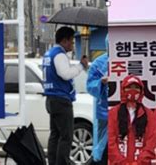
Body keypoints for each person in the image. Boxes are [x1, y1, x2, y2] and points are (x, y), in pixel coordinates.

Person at [43, 26, 89, 165]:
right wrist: (81, 66)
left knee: (55, 135)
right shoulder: (59, 55)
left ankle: (53, 162)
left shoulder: (49, 53)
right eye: (71, 41)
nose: (73, 44)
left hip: (51, 99)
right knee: (66, 136)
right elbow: (65, 74)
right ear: (64, 40)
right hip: (61, 99)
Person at [108, 75, 156, 164]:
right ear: (123, 90)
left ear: (141, 91)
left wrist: (139, 162)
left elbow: (151, 142)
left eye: (136, 88)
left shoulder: (149, 114)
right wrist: (121, 162)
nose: (133, 90)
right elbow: (110, 142)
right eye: (129, 87)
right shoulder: (113, 113)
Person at [86, 38, 108, 164]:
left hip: (122, 110)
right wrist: (101, 82)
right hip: (103, 111)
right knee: (102, 145)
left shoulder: (128, 60)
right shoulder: (99, 63)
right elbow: (90, 86)